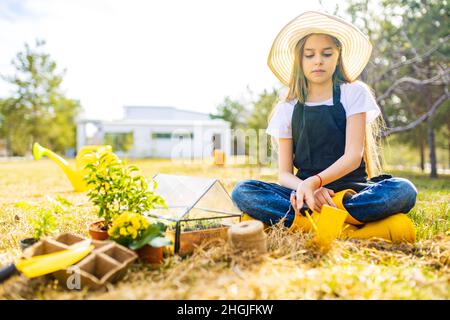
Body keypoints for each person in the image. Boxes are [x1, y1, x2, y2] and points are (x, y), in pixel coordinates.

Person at [231, 11, 418, 239]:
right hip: (304, 193)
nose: (318, 60)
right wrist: (307, 189)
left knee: (403, 190)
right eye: (309, 55)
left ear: (338, 56)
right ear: (299, 61)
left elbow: (353, 155)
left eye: (326, 53)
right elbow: (284, 174)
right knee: (243, 191)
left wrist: (316, 182)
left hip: (351, 191)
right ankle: (344, 228)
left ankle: (311, 222)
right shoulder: (287, 107)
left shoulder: (353, 93)